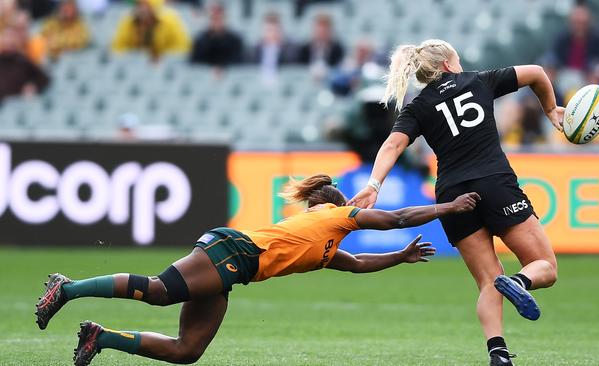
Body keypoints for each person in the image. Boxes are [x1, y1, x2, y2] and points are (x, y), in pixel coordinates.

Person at [35, 174, 480, 365]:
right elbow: (399, 217)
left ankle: (100, 336)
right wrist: (449, 207)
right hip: (235, 252)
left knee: (187, 350)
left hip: (233, 265)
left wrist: (398, 258)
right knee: (159, 291)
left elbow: (358, 262)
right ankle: (67, 288)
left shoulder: (326, 244)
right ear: (336, 205)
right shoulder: (334, 217)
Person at [348, 39, 561, 366]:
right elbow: (535, 72)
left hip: (452, 195)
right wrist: (550, 109)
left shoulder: (417, 106)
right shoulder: (478, 80)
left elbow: (392, 144)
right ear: (447, 64)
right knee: (545, 267)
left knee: (487, 281)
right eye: (457, 59)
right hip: (496, 183)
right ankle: (517, 283)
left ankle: (499, 354)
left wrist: (373, 185)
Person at [111, 0, 190, 61]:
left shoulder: (171, 21)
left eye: (146, 6)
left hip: (164, 65)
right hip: (134, 65)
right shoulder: (127, 22)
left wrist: (162, 56)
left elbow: (181, 48)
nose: (143, 9)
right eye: (140, 5)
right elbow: (117, 48)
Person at [550, 4, 599, 72]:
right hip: (564, 74)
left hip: (588, 74)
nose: (579, 27)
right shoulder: (562, 38)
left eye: (583, 23)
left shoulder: (598, 39)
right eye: (577, 23)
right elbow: (555, 57)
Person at [0, 29, 49, 102]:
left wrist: (33, 86)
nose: (8, 41)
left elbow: (43, 78)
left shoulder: (22, 61)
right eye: (6, 38)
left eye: (11, 38)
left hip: (20, 103)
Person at [189, 3, 243, 68]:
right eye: (213, 18)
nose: (216, 21)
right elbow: (195, 63)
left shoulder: (236, 40)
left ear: (225, 18)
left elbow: (239, 64)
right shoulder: (200, 41)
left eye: (219, 18)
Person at [250, 12, 297, 83]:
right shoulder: (254, 50)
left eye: (274, 30)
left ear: (280, 30)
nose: (271, 34)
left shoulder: (289, 50)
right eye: (268, 30)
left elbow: (291, 70)